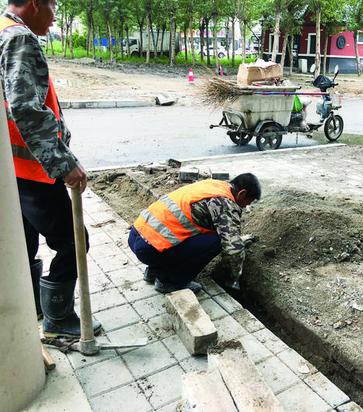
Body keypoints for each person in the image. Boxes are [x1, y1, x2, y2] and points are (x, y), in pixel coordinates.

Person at [0, 0, 101, 338]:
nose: (55, 13)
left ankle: (33, 310)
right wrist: (64, 163)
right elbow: (25, 110)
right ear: (33, 3)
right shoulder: (19, 39)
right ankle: (57, 321)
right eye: (53, 4)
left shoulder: (1, 30)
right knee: (74, 242)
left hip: (10, 170)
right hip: (32, 170)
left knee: (23, 242)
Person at [128, 174, 261, 293]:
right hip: (150, 250)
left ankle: (154, 271)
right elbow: (233, 249)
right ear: (242, 194)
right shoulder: (225, 204)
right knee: (217, 241)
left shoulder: (214, 185)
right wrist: (233, 279)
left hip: (136, 236)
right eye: (247, 203)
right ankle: (169, 281)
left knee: (188, 233)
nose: (244, 207)